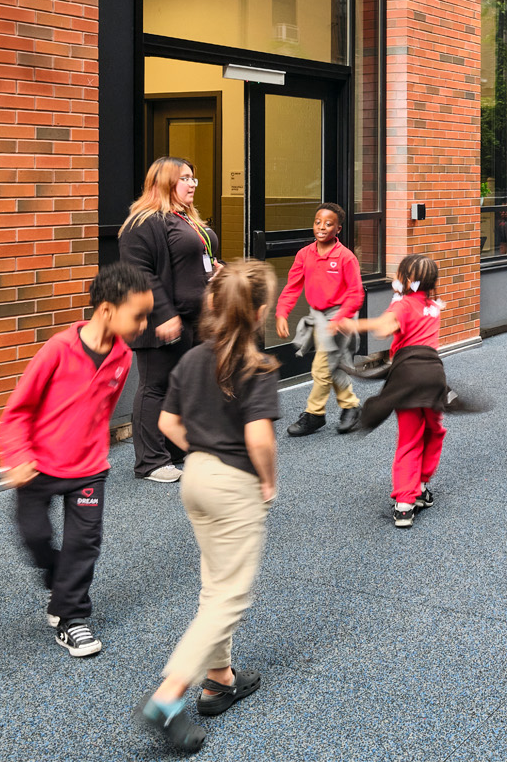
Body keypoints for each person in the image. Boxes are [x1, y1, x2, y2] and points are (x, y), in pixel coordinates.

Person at [135, 259, 281, 752]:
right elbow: (259, 436)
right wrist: (268, 480)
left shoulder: (194, 358)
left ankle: (219, 677)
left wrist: (199, 450)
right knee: (231, 596)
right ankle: (168, 696)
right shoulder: (256, 366)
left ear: (213, 303)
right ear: (258, 312)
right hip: (234, 484)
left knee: (213, 580)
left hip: (195, 478)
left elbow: (169, 424)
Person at [0, 263, 153, 659]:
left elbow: (97, 412)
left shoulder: (122, 356)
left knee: (84, 544)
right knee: (33, 536)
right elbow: (18, 410)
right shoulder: (58, 349)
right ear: (106, 310)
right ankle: (58, 580)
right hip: (38, 466)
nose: (144, 324)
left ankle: (72, 618)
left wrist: (95, 452)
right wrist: (17, 457)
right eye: (138, 315)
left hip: (89, 469)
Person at [118, 157, 219, 483]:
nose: (192, 184)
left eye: (193, 178)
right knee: (155, 387)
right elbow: (139, 274)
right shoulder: (143, 223)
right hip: (162, 321)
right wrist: (164, 314)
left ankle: (175, 450)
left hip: (195, 319)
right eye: (184, 178)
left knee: (184, 386)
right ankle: (150, 462)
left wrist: (218, 271)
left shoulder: (185, 219)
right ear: (163, 183)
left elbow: (198, 260)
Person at [331, 254, 448, 529]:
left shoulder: (403, 305)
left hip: (407, 376)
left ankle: (405, 503)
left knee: (410, 437)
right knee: (434, 431)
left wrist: (353, 324)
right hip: (434, 376)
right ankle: (421, 485)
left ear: (406, 280)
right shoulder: (433, 307)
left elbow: (384, 330)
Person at [274, 202, 364, 436]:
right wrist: (282, 312)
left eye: (328, 224)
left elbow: (356, 294)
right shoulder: (305, 254)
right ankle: (351, 406)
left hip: (341, 314)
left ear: (338, 229)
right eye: (317, 222)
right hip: (318, 314)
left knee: (322, 366)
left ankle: (314, 414)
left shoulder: (345, 258)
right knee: (335, 365)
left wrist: (339, 319)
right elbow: (292, 288)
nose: (322, 227)